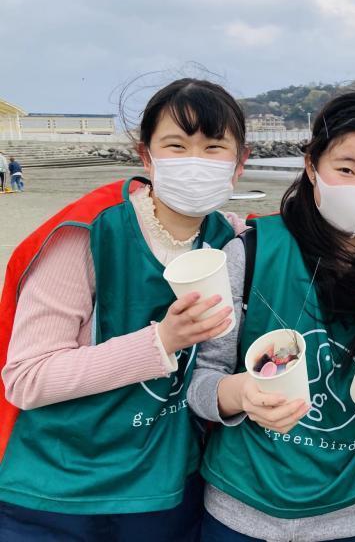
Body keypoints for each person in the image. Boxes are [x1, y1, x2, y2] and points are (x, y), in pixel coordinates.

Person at [187, 91, 355, 542]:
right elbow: (201, 381)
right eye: (345, 169)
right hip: (239, 510)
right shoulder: (250, 254)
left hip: (354, 517)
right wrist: (242, 393)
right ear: (312, 166)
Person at [0, 78, 251, 540]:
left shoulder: (229, 239)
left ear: (239, 165)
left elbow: (309, 247)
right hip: (59, 490)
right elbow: (26, 378)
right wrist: (162, 342)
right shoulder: (83, 237)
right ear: (146, 156)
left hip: (167, 490)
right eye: (176, 145)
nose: (195, 162)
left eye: (214, 148)